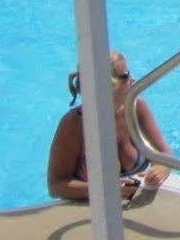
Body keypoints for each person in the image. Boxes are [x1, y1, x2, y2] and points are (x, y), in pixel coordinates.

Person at [46, 50, 170, 204]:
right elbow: (56, 186)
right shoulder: (74, 125)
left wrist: (160, 170)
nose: (133, 80)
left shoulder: (137, 107)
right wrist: (105, 190)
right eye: (126, 76)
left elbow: (165, 156)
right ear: (106, 86)